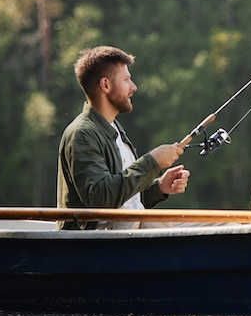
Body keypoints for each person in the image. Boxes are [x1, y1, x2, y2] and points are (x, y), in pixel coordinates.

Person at [56, 45, 190, 230]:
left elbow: (125, 198)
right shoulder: (82, 134)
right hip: (98, 247)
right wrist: (152, 162)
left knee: (227, 225)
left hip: (129, 235)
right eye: (126, 80)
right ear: (105, 85)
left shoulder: (114, 128)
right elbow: (102, 199)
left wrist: (159, 187)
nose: (133, 87)